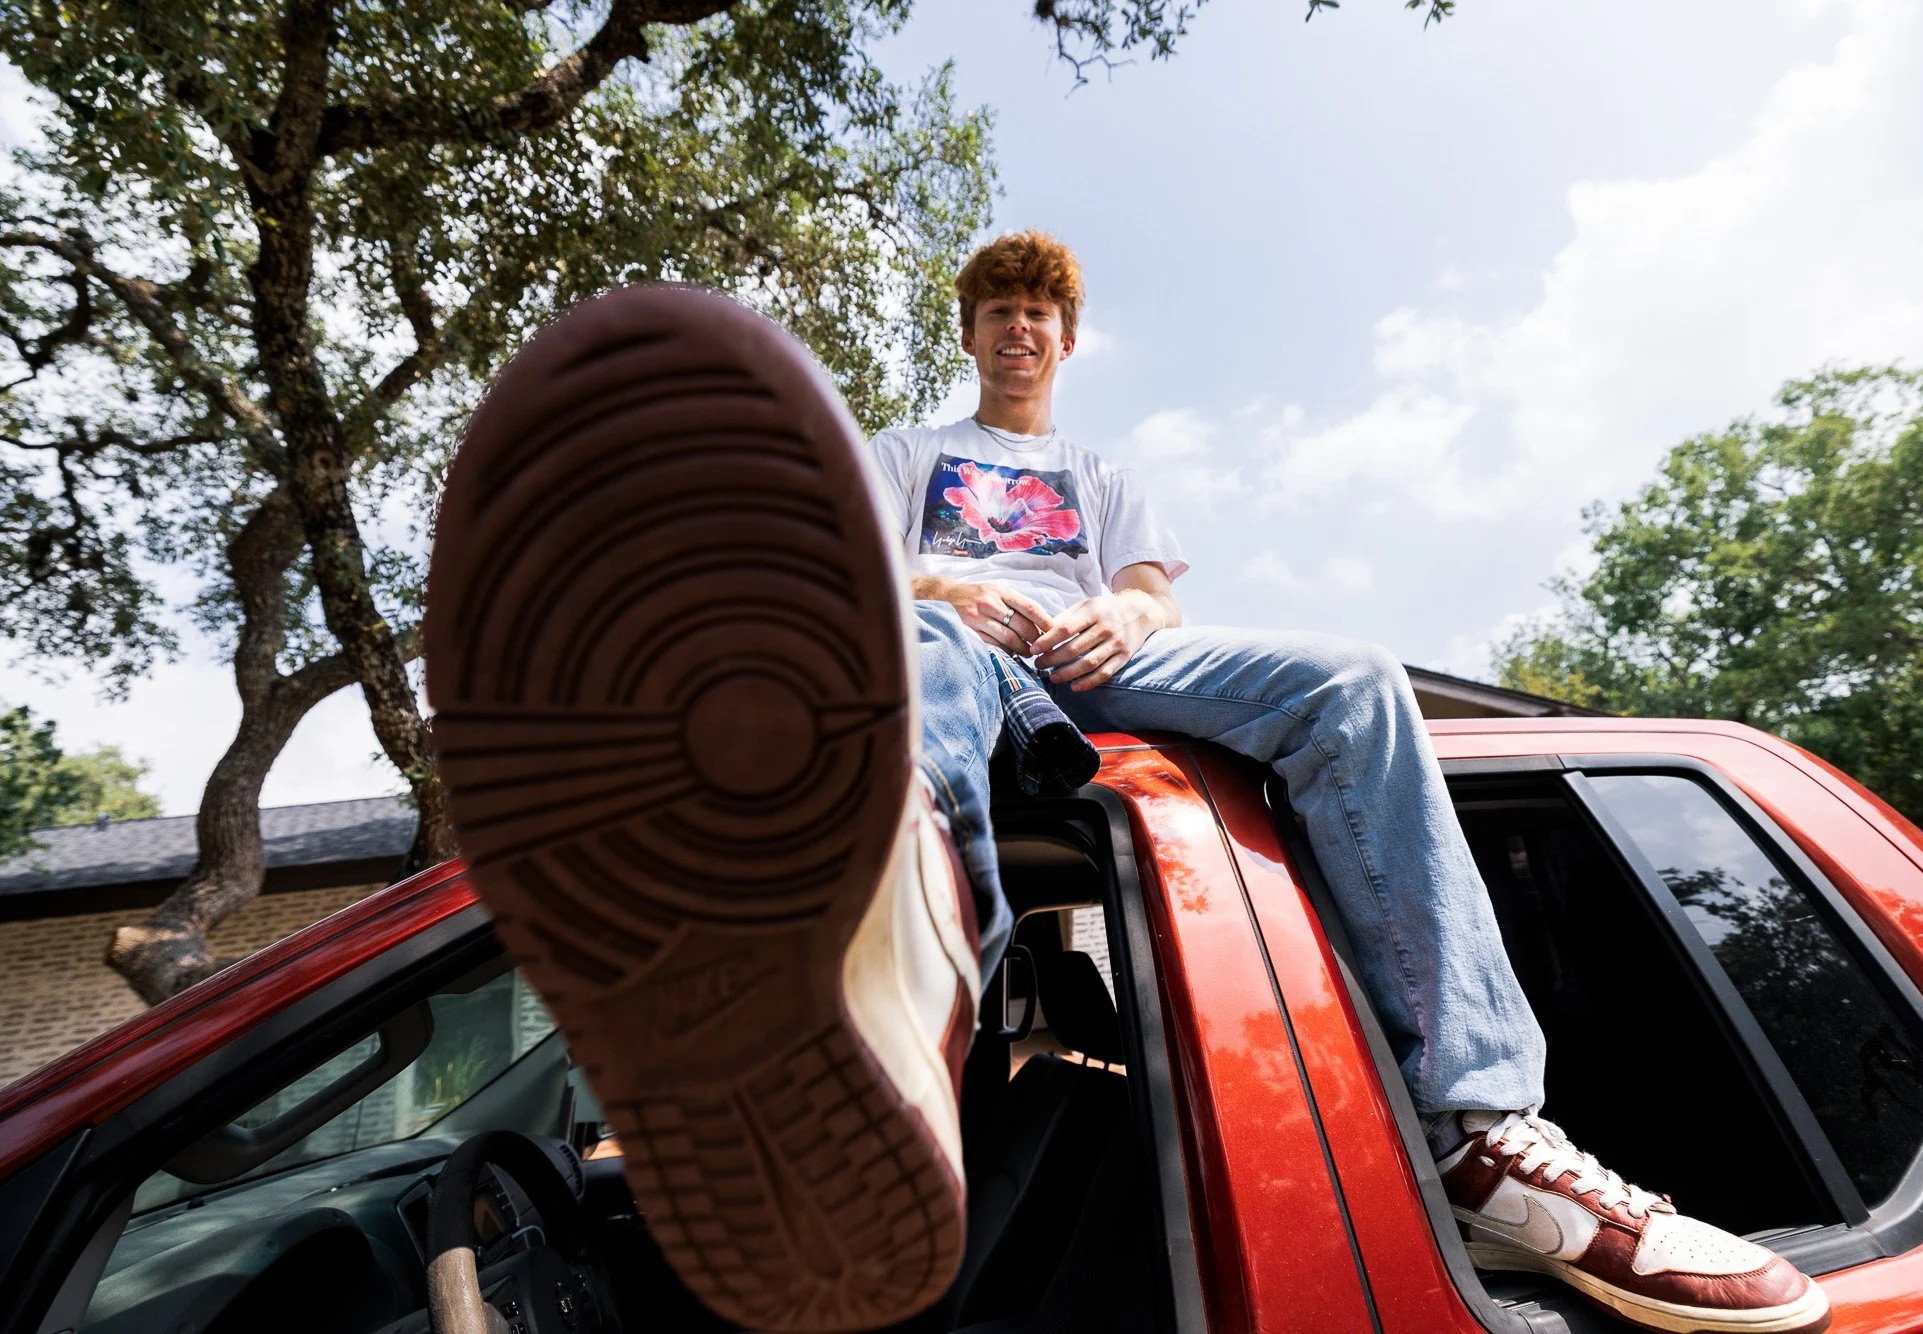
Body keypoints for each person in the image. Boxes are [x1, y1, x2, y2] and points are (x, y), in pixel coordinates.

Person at [422, 236, 1829, 1334]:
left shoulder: (1100, 471)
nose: (1019, 326)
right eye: (997, 308)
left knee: (1349, 679)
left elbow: (1152, 592)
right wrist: (948, 579)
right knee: (907, 640)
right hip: (950, 656)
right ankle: (883, 977)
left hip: (1097, 668)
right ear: (969, 333)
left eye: (1041, 311)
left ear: (1066, 338)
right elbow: (842, 569)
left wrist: (1129, 618)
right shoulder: (913, 453)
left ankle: (1482, 1134)